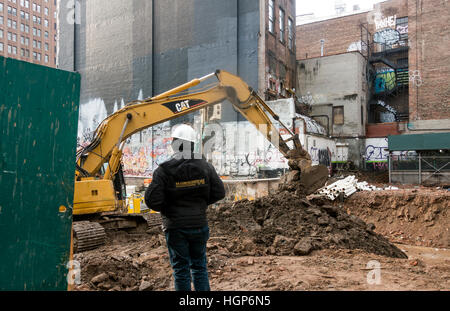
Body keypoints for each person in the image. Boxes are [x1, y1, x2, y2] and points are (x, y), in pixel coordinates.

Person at [144, 124, 225, 291]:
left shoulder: (164, 170)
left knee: (181, 270)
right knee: (199, 266)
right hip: (199, 224)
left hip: (176, 228)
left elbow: (152, 201)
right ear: (192, 144)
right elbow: (219, 193)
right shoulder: (205, 166)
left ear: (174, 144)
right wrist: (200, 204)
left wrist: (170, 206)